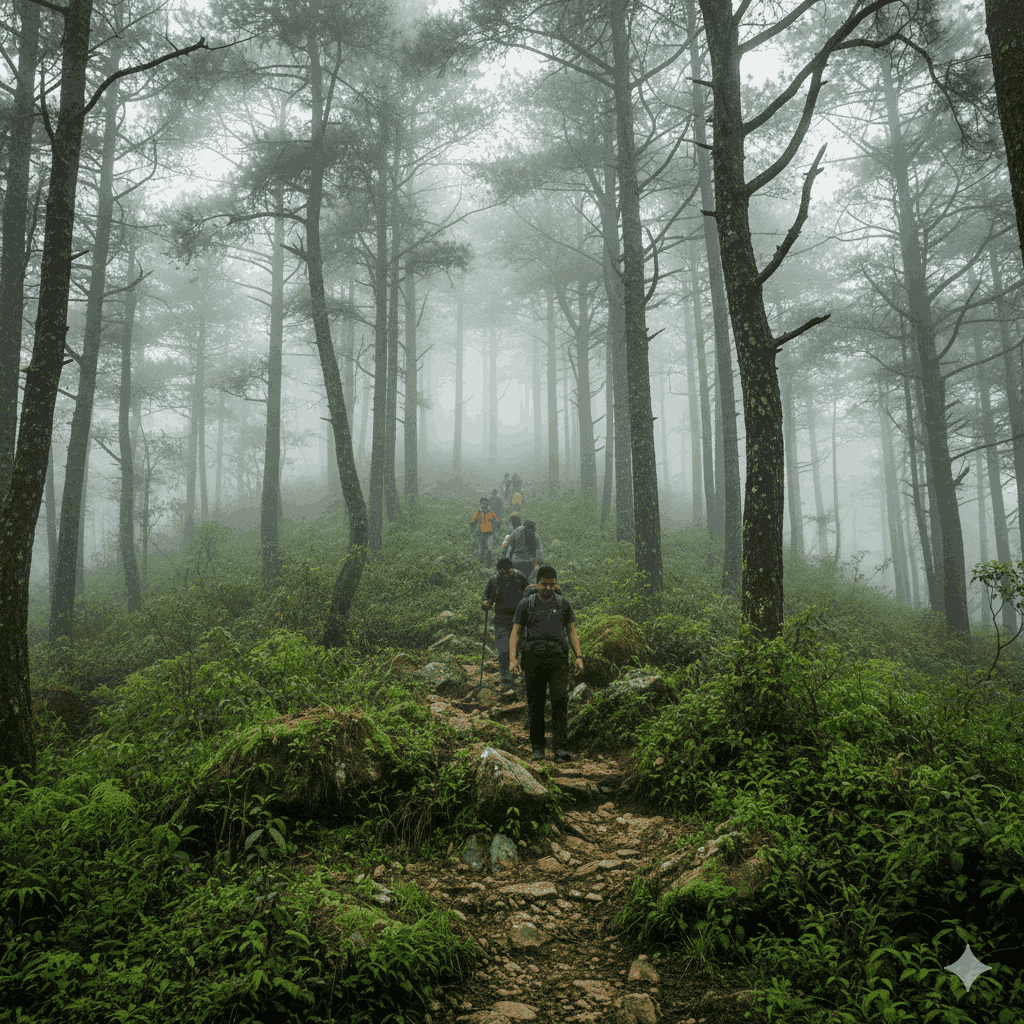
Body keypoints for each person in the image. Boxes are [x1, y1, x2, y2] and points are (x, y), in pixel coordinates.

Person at [509, 565, 584, 762]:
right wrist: (512, 659)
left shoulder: (563, 604)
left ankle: (560, 748)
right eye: (544, 584)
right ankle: (538, 748)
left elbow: (571, 631)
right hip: (533, 659)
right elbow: (516, 632)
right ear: (537, 583)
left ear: (556, 584)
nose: (548, 588)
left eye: (552, 584)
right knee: (536, 703)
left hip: (558, 659)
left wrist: (578, 656)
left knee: (560, 700)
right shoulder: (526, 604)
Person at [481, 557, 530, 697]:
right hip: (501, 620)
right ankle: (507, 683)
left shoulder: (520, 577)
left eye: (505, 572)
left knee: (522, 649)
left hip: (520, 620)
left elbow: (530, 594)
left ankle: (522, 679)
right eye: (500, 573)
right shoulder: (494, 580)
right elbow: (487, 596)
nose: (503, 575)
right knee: (503, 651)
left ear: (511, 569)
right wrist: (485, 603)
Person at [505, 518, 543, 582]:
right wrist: (540, 561)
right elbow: (510, 545)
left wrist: (507, 558)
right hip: (521, 561)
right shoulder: (519, 532)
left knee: (520, 578)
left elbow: (539, 549)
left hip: (525, 562)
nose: (529, 530)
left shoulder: (533, 535)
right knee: (521, 578)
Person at [470, 496, 499, 568]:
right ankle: (481, 564)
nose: (484, 505)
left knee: (489, 549)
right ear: (480, 504)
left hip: (489, 533)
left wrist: (494, 527)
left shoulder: (491, 513)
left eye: (485, 503)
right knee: (482, 550)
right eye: (482, 503)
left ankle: (488, 565)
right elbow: (472, 522)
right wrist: (474, 531)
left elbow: (497, 522)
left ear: (487, 504)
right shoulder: (478, 513)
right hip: (480, 534)